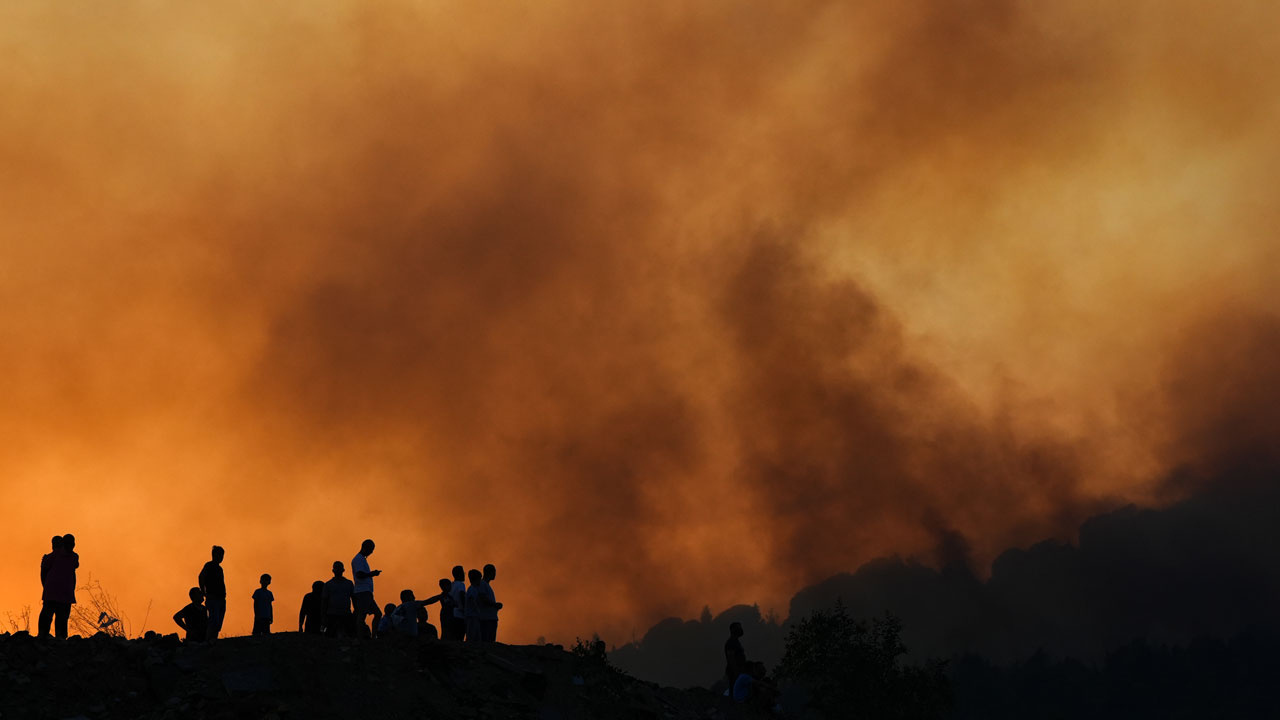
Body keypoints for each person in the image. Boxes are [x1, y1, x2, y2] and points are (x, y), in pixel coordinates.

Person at [38, 536, 75, 639]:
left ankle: (47, 636)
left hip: (59, 592)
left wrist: (45, 586)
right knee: (56, 615)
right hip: (61, 593)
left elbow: (43, 570)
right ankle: (52, 637)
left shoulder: (56, 556)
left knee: (54, 615)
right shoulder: (72, 557)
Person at [351, 539, 382, 638]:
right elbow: (359, 574)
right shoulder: (358, 559)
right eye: (371, 549)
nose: (371, 552)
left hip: (366, 592)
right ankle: (360, 637)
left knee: (376, 614)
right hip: (362, 591)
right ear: (365, 547)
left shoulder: (362, 559)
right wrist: (372, 574)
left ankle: (373, 636)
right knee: (362, 615)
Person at [321, 561, 356, 637]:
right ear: (333, 571)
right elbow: (324, 601)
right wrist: (324, 616)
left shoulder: (349, 584)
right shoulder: (328, 585)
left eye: (339, 568)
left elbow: (354, 599)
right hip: (332, 614)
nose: (337, 570)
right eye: (336, 568)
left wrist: (355, 612)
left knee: (347, 635)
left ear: (343, 570)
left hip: (345, 614)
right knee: (331, 636)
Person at [199, 546, 227, 640]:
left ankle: (213, 640)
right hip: (213, 597)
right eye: (220, 555)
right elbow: (201, 577)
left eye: (222, 555)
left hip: (221, 598)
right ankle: (209, 640)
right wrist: (203, 592)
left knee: (218, 622)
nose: (222, 557)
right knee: (213, 621)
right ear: (214, 555)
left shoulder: (220, 569)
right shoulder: (209, 566)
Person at [479, 563, 503, 642]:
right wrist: (495, 605)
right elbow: (482, 598)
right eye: (494, 572)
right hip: (487, 618)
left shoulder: (486, 585)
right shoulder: (483, 584)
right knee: (487, 642)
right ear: (490, 572)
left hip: (489, 618)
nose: (495, 574)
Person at [725, 622, 747, 689]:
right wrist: (736, 673)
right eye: (738, 628)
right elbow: (731, 659)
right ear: (733, 630)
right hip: (735, 672)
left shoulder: (735, 642)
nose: (741, 629)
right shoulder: (731, 642)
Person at [448, 566, 467, 641]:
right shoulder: (461, 584)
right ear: (459, 574)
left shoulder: (451, 585)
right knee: (460, 637)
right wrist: (465, 609)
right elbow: (462, 595)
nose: (464, 575)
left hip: (452, 614)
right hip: (460, 615)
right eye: (463, 573)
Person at [464, 569, 484, 643]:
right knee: (472, 636)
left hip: (474, 616)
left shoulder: (473, 589)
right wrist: (478, 610)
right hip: (471, 616)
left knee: (476, 636)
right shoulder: (472, 589)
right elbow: (472, 600)